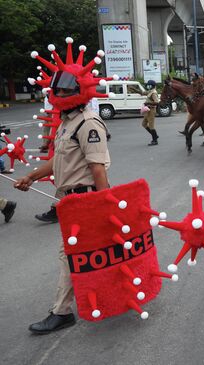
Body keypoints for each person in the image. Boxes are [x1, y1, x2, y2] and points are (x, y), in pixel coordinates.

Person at [14, 69, 111, 334]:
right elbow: (58, 162)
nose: (61, 95)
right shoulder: (67, 122)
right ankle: (106, 294)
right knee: (92, 252)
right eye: (58, 91)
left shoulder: (88, 123)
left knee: (70, 256)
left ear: (81, 93)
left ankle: (62, 311)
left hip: (86, 200)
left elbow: (98, 168)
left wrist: (104, 205)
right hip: (68, 202)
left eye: (67, 91)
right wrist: (31, 177)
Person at [142, 80, 160, 146]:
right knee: (144, 124)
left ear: (152, 85)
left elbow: (157, 102)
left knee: (151, 126)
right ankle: (155, 135)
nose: (148, 86)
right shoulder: (150, 91)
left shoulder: (154, 93)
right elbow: (142, 93)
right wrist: (134, 89)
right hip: (148, 110)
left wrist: (148, 103)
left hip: (151, 110)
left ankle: (155, 140)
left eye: (149, 85)